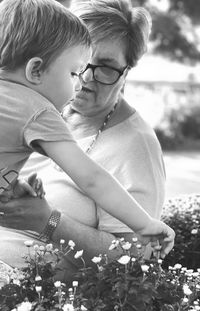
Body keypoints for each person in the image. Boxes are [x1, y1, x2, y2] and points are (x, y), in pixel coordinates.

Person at [0, 0, 174, 273]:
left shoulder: (135, 145)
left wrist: (50, 221)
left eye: (105, 66)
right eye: (76, 68)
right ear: (38, 65)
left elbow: (137, 257)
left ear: (126, 72)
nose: (84, 78)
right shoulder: (40, 109)